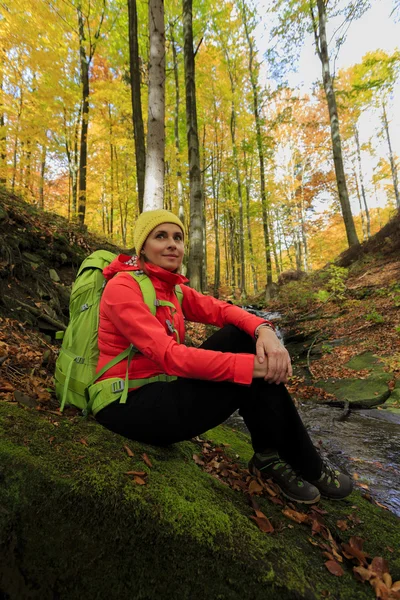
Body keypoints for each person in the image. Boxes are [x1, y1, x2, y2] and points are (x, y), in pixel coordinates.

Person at [93, 209, 353, 504]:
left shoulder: (172, 289)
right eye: (160, 236)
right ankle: (304, 462)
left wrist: (263, 329)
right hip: (125, 404)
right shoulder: (122, 288)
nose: (172, 244)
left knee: (240, 336)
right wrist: (248, 367)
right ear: (142, 248)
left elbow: (221, 310)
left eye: (177, 237)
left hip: (160, 389)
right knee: (244, 368)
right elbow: (169, 356)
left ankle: (271, 455)